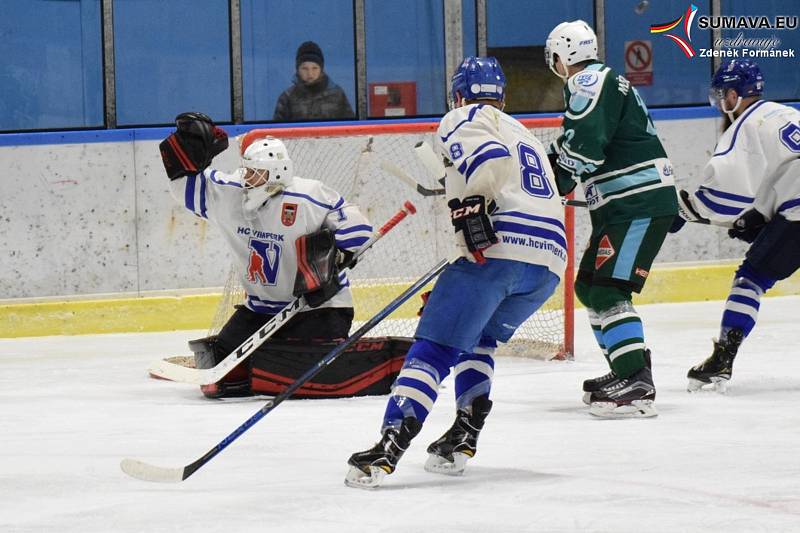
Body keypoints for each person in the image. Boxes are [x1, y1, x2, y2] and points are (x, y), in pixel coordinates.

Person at [344, 57, 566, 489]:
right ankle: (463, 436)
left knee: (434, 347)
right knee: (478, 340)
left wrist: (472, 206)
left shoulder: (463, 116)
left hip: (498, 251)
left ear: (459, 94)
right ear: (501, 96)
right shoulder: (524, 134)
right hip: (548, 263)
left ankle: (390, 444)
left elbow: (490, 161)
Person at [158, 113, 409, 399]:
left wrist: (337, 255)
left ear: (277, 173)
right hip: (260, 310)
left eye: (255, 173)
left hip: (319, 309)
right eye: (246, 171)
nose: (247, 180)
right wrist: (182, 164)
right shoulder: (230, 193)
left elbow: (359, 232)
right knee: (222, 376)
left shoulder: (309, 196)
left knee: (293, 371)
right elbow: (185, 188)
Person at [544, 21, 678, 418]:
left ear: (561, 56)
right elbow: (574, 142)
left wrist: (554, 184)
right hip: (624, 205)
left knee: (608, 290)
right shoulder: (604, 81)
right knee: (589, 286)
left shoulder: (587, 80)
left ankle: (635, 380)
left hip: (634, 205)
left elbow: (584, 149)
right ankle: (624, 369)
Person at [669, 59, 800, 392]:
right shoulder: (787, 114)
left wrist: (686, 209)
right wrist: (759, 215)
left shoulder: (746, 124)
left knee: (751, 279)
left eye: (721, 96)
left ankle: (722, 360)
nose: (720, 105)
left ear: (733, 94)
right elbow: (783, 174)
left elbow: (723, 188)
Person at [273, 41, 355, 122]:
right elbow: (277, 131)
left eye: (315, 68)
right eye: (304, 68)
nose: (310, 74)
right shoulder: (287, 98)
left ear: (321, 69)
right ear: (297, 70)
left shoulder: (337, 94)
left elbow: (351, 128)